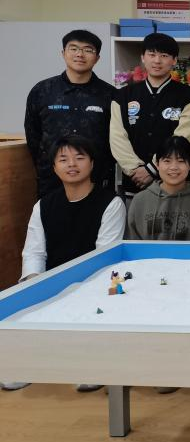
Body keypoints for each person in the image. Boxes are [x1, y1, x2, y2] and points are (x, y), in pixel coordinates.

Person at [2, 135, 125, 392]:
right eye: (63, 159)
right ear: (54, 167)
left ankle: (91, 364)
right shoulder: (43, 205)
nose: (72, 164)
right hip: (51, 285)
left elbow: (104, 258)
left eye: (79, 158)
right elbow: (34, 253)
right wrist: (35, 286)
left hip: (93, 285)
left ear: (92, 163)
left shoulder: (111, 203)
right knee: (21, 300)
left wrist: (73, 289)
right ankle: (27, 365)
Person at [24, 29, 116, 198]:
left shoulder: (110, 94)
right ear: (63, 53)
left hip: (97, 178)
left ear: (97, 58)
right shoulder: (42, 91)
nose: (80, 54)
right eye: (73, 48)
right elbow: (33, 135)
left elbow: (116, 137)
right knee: (52, 215)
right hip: (51, 179)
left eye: (88, 50)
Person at [110, 33, 190, 197]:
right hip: (134, 182)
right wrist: (135, 169)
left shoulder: (188, 96)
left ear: (174, 60)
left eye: (164, 56)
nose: (157, 61)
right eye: (151, 54)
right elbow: (117, 137)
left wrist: (152, 169)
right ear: (143, 57)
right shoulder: (123, 95)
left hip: (176, 184)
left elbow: (184, 137)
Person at [126, 136, 190, 240]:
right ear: (157, 164)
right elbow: (134, 243)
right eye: (167, 161)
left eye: (181, 161)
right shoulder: (140, 201)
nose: (173, 167)